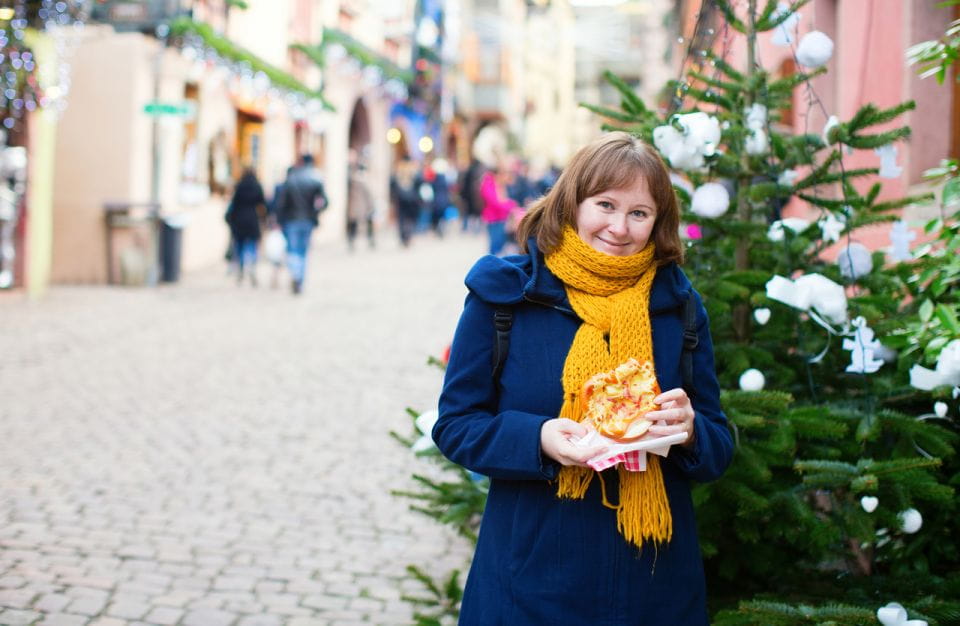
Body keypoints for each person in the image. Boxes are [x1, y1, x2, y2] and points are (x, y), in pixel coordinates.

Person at [433, 132, 734, 625]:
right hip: (530, 579)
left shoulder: (678, 305)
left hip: (652, 586)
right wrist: (539, 438)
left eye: (639, 213)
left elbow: (718, 446)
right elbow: (455, 425)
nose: (619, 227)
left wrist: (692, 428)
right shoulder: (507, 295)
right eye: (606, 205)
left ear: (658, 222)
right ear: (573, 202)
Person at [276, 154, 327, 294]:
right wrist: (315, 212)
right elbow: (325, 202)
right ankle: (300, 279)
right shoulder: (314, 179)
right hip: (308, 221)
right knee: (303, 252)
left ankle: (296, 275)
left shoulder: (291, 179)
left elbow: (282, 204)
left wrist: (279, 220)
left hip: (292, 221)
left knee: (293, 250)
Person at [224, 167, 265, 286]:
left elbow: (234, 204)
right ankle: (252, 266)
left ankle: (241, 268)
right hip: (252, 220)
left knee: (240, 246)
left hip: (240, 220)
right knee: (252, 246)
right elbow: (262, 204)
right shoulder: (257, 186)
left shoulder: (239, 186)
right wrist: (264, 219)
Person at [479, 164, 517, 256]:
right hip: (493, 218)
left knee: (500, 243)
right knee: (495, 245)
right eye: (503, 174)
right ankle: (491, 265)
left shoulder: (499, 184)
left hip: (501, 217)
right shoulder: (488, 184)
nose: (505, 177)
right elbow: (494, 202)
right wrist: (511, 206)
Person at [390, 157, 421, 247]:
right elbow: (419, 183)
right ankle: (408, 236)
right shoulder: (413, 172)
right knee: (410, 219)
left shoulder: (398, 172)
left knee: (402, 219)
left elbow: (392, 184)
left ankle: (404, 236)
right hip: (412, 200)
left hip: (401, 199)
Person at [345, 159, 375, 251]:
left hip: (354, 206)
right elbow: (369, 195)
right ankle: (370, 240)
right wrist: (371, 206)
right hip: (363, 206)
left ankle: (351, 240)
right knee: (368, 223)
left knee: (353, 224)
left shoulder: (352, 179)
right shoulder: (364, 180)